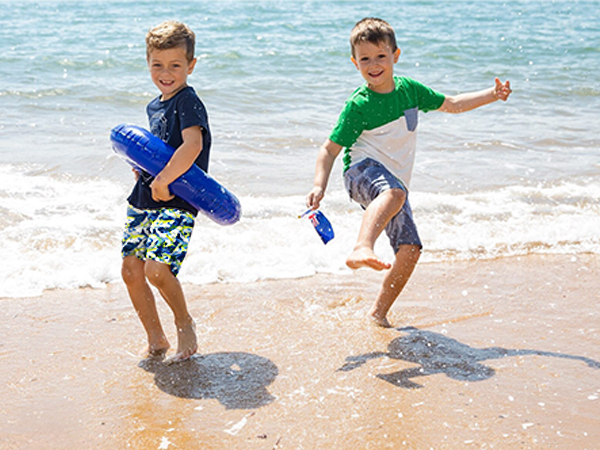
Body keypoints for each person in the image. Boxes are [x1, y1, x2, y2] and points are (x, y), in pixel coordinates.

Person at [306, 18, 512, 328]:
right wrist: (319, 186)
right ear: (354, 62)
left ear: (395, 56)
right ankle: (362, 247)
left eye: (380, 56)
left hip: (394, 183)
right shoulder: (358, 105)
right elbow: (329, 149)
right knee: (394, 193)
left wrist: (492, 95)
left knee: (410, 249)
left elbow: (452, 104)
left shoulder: (409, 91)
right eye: (364, 59)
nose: (373, 65)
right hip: (360, 172)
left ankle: (378, 314)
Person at [121, 21, 211, 363]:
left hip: (178, 197)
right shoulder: (154, 105)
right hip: (146, 195)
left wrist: (162, 181)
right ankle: (156, 339)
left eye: (175, 65)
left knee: (157, 271)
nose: (166, 73)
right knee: (131, 270)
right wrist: (143, 169)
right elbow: (161, 149)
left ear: (191, 65)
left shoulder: (188, 101)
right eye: (157, 64)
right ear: (147, 62)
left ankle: (184, 323)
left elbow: (191, 146)